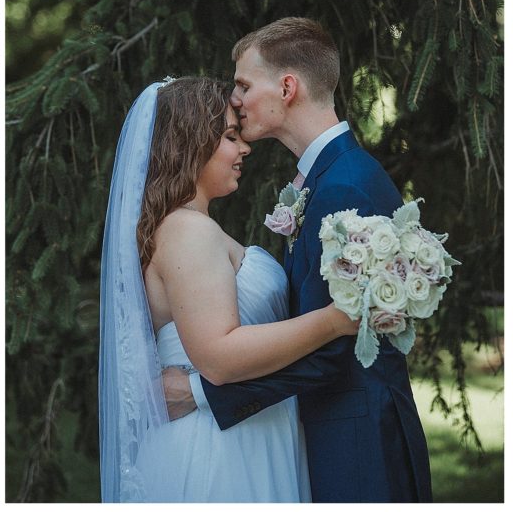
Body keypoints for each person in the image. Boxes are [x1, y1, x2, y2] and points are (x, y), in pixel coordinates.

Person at [163, 18, 432, 502]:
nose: (235, 99)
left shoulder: (345, 186)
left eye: (244, 85)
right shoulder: (326, 179)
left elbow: (336, 344)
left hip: (359, 447)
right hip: (335, 434)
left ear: (287, 88)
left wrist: (201, 393)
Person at [99, 76, 358, 502]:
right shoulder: (187, 231)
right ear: (189, 143)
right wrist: (335, 320)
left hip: (240, 428)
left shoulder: (187, 227)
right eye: (230, 137)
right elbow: (219, 357)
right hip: (218, 448)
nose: (244, 148)